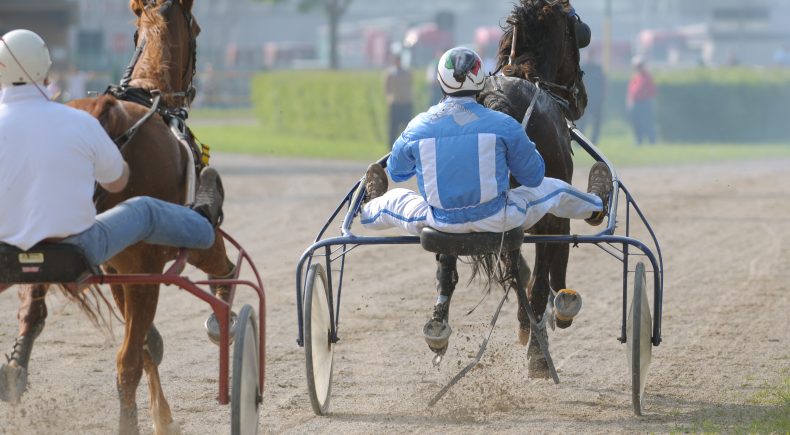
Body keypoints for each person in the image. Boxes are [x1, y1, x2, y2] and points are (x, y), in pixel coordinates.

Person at [359, 48, 612, 346]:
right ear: (481, 80)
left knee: (393, 201)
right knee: (553, 189)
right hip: (498, 219)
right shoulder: (504, 125)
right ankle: (596, 207)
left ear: (441, 82)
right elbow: (533, 177)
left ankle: (366, 208)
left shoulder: (417, 126)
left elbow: (399, 173)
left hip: (438, 222)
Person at [0, 29, 224, 266]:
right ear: (45, 69)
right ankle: (202, 223)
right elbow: (116, 182)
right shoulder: (80, 121)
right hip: (77, 252)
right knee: (144, 209)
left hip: (5, 256)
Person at [626, 56, 657, 145]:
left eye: (639, 66)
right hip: (635, 104)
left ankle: (652, 141)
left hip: (645, 103)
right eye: (636, 66)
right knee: (637, 124)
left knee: (647, 123)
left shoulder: (647, 77)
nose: (638, 68)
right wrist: (629, 102)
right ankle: (638, 141)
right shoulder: (635, 77)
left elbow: (652, 91)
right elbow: (630, 91)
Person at [384, 53, 413, 147]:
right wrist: (389, 98)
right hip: (395, 103)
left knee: (407, 126)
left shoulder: (406, 72)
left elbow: (410, 85)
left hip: (405, 102)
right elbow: (387, 88)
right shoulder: (390, 74)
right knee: (393, 127)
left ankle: (407, 145)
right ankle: (391, 146)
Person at [578, 50, 606, 144]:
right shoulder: (582, 68)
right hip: (584, 99)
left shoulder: (598, 68)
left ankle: (594, 140)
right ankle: (580, 141)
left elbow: (603, 83)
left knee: (597, 121)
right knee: (582, 121)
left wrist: (603, 95)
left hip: (596, 99)